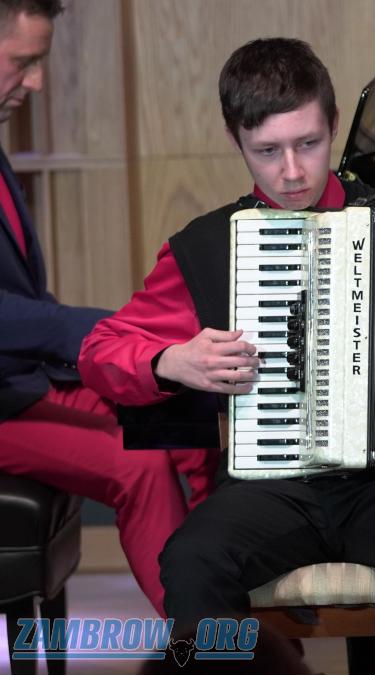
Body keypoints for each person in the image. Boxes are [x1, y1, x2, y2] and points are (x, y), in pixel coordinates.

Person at [79, 37, 375, 675]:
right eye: (267, 151)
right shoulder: (207, 247)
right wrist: (170, 360)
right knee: (192, 557)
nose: (292, 171)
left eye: (308, 143)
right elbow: (101, 351)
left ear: (333, 125)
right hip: (273, 490)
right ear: (234, 140)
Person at [0, 0, 216, 618]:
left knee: (184, 413)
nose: (37, 81)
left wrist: (128, 344)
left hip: (21, 380)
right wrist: (109, 333)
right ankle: (204, 644)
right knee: (139, 465)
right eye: (25, 62)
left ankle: (236, 605)